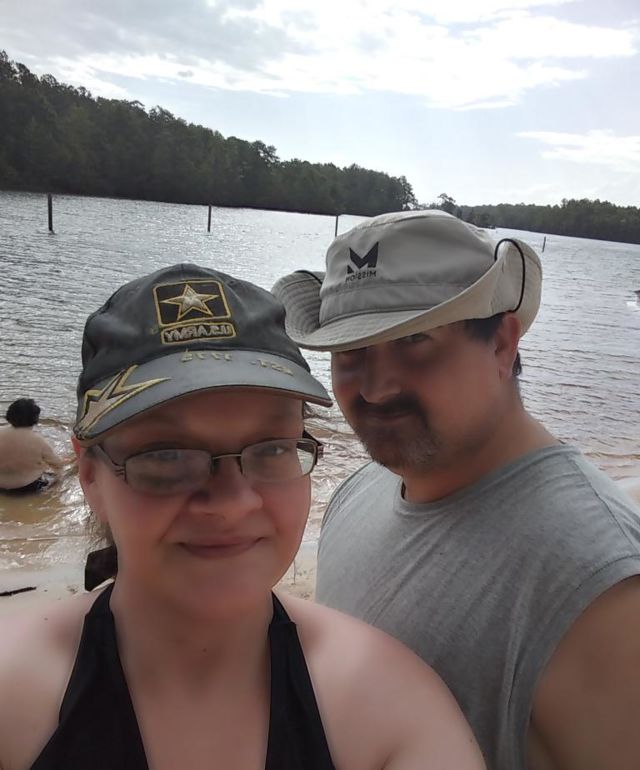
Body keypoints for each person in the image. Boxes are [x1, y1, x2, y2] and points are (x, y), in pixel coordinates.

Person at [0, 263, 485, 770]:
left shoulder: (388, 709)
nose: (233, 503)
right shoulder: (13, 695)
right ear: (89, 475)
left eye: (273, 448)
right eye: (166, 455)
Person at [273, 210, 640, 770]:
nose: (376, 388)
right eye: (352, 350)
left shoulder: (599, 586)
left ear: (501, 344)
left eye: (414, 340)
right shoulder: (359, 490)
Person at [0, 398, 63, 494]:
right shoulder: (38, 441)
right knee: (60, 472)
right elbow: (57, 465)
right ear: (35, 419)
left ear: (9, 415)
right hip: (28, 487)